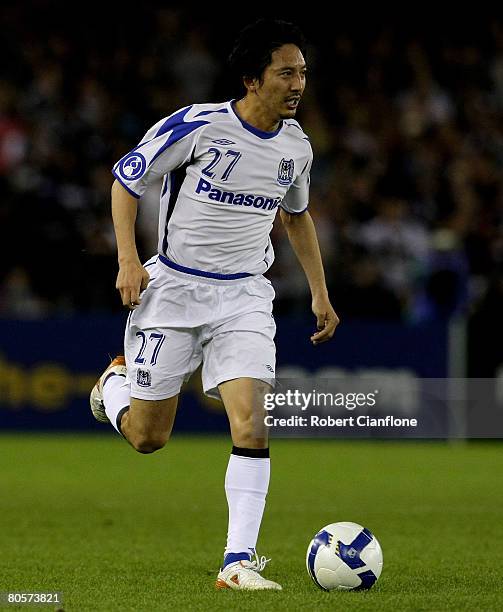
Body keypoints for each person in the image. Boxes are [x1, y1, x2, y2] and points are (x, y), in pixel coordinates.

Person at [90, 18, 338, 591]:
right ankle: (113, 386)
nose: (299, 83)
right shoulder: (199, 126)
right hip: (173, 291)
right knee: (149, 438)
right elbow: (126, 182)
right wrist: (128, 259)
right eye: (286, 72)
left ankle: (237, 563)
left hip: (245, 297)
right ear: (253, 79)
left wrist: (321, 292)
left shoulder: (296, 147)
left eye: (302, 72)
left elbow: (296, 217)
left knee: (252, 424)